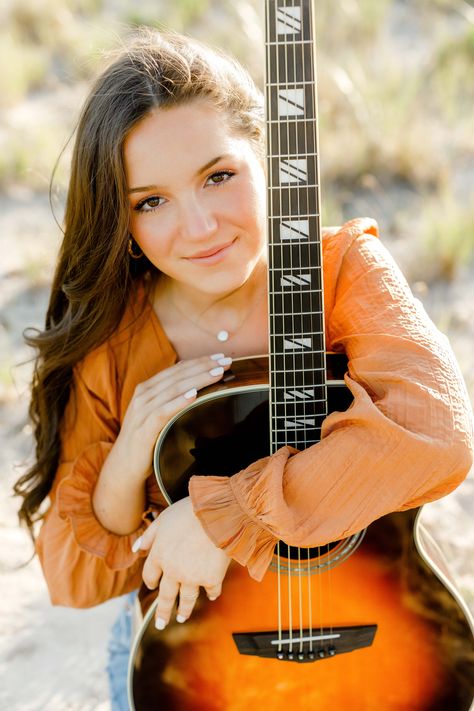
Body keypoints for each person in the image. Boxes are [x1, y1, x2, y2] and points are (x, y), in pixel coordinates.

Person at [14, 28, 473, 710]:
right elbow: (75, 579)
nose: (198, 226)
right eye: (151, 201)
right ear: (123, 220)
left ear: (267, 152)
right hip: (200, 665)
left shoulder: (342, 273)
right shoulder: (115, 339)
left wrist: (221, 520)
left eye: (217, 176)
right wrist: (129, 457)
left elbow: (436, 435)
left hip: (379, 643)